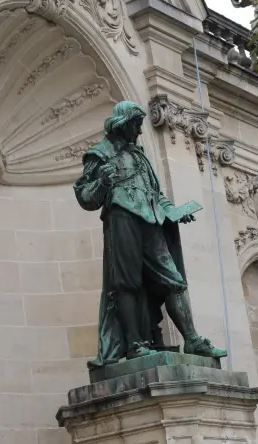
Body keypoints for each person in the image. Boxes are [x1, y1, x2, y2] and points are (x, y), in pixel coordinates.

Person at [74, 101, 227, 365]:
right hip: (122, 219)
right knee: (127, 283)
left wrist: (173, 212)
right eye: (136, 124)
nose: (139, 131)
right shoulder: (99, 154)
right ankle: (135, 344)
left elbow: (155, 194)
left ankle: (192, 339)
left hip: (151, 222)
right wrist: (102, 182)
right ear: (123, 123)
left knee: (174, 281)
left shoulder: (140, 156)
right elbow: (86, 197)